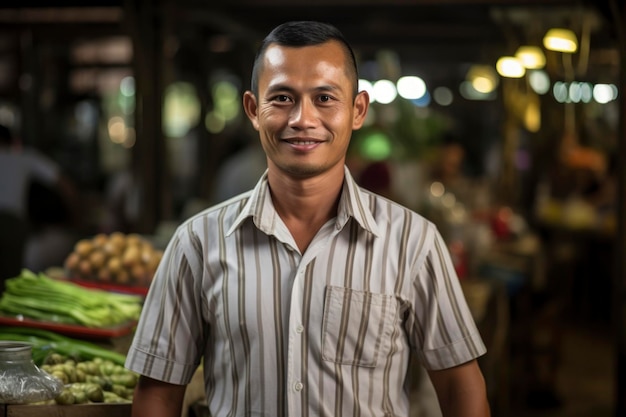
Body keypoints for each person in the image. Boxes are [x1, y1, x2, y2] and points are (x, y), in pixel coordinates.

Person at [125, 21, 490, 417]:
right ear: (253, 109)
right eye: (282, 98)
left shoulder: (412, 241)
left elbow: (460, 389)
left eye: (324, 98)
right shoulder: (196, 242)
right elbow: (158, 394)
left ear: (357, 110)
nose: (303, 118)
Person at [0, 124, 75, 289]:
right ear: (12, 142)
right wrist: (76, 212)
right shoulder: (23, 157)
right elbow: (63, 182)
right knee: (12, 282)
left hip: (13, 223)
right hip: (12, 222)